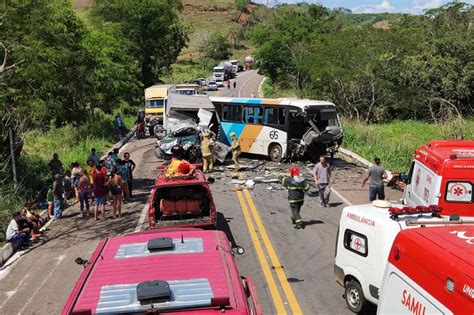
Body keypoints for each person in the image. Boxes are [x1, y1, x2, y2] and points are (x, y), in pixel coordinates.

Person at [280, 166, 310, 230]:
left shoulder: (289, 180)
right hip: (301, 199)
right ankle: (294, 219)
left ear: (292, 173)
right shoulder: (302, 180)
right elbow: (307, 188)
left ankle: (299, 224)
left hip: (293, 199)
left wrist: (281, 176)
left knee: (295, 211)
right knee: (297, 210)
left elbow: (281, 180)